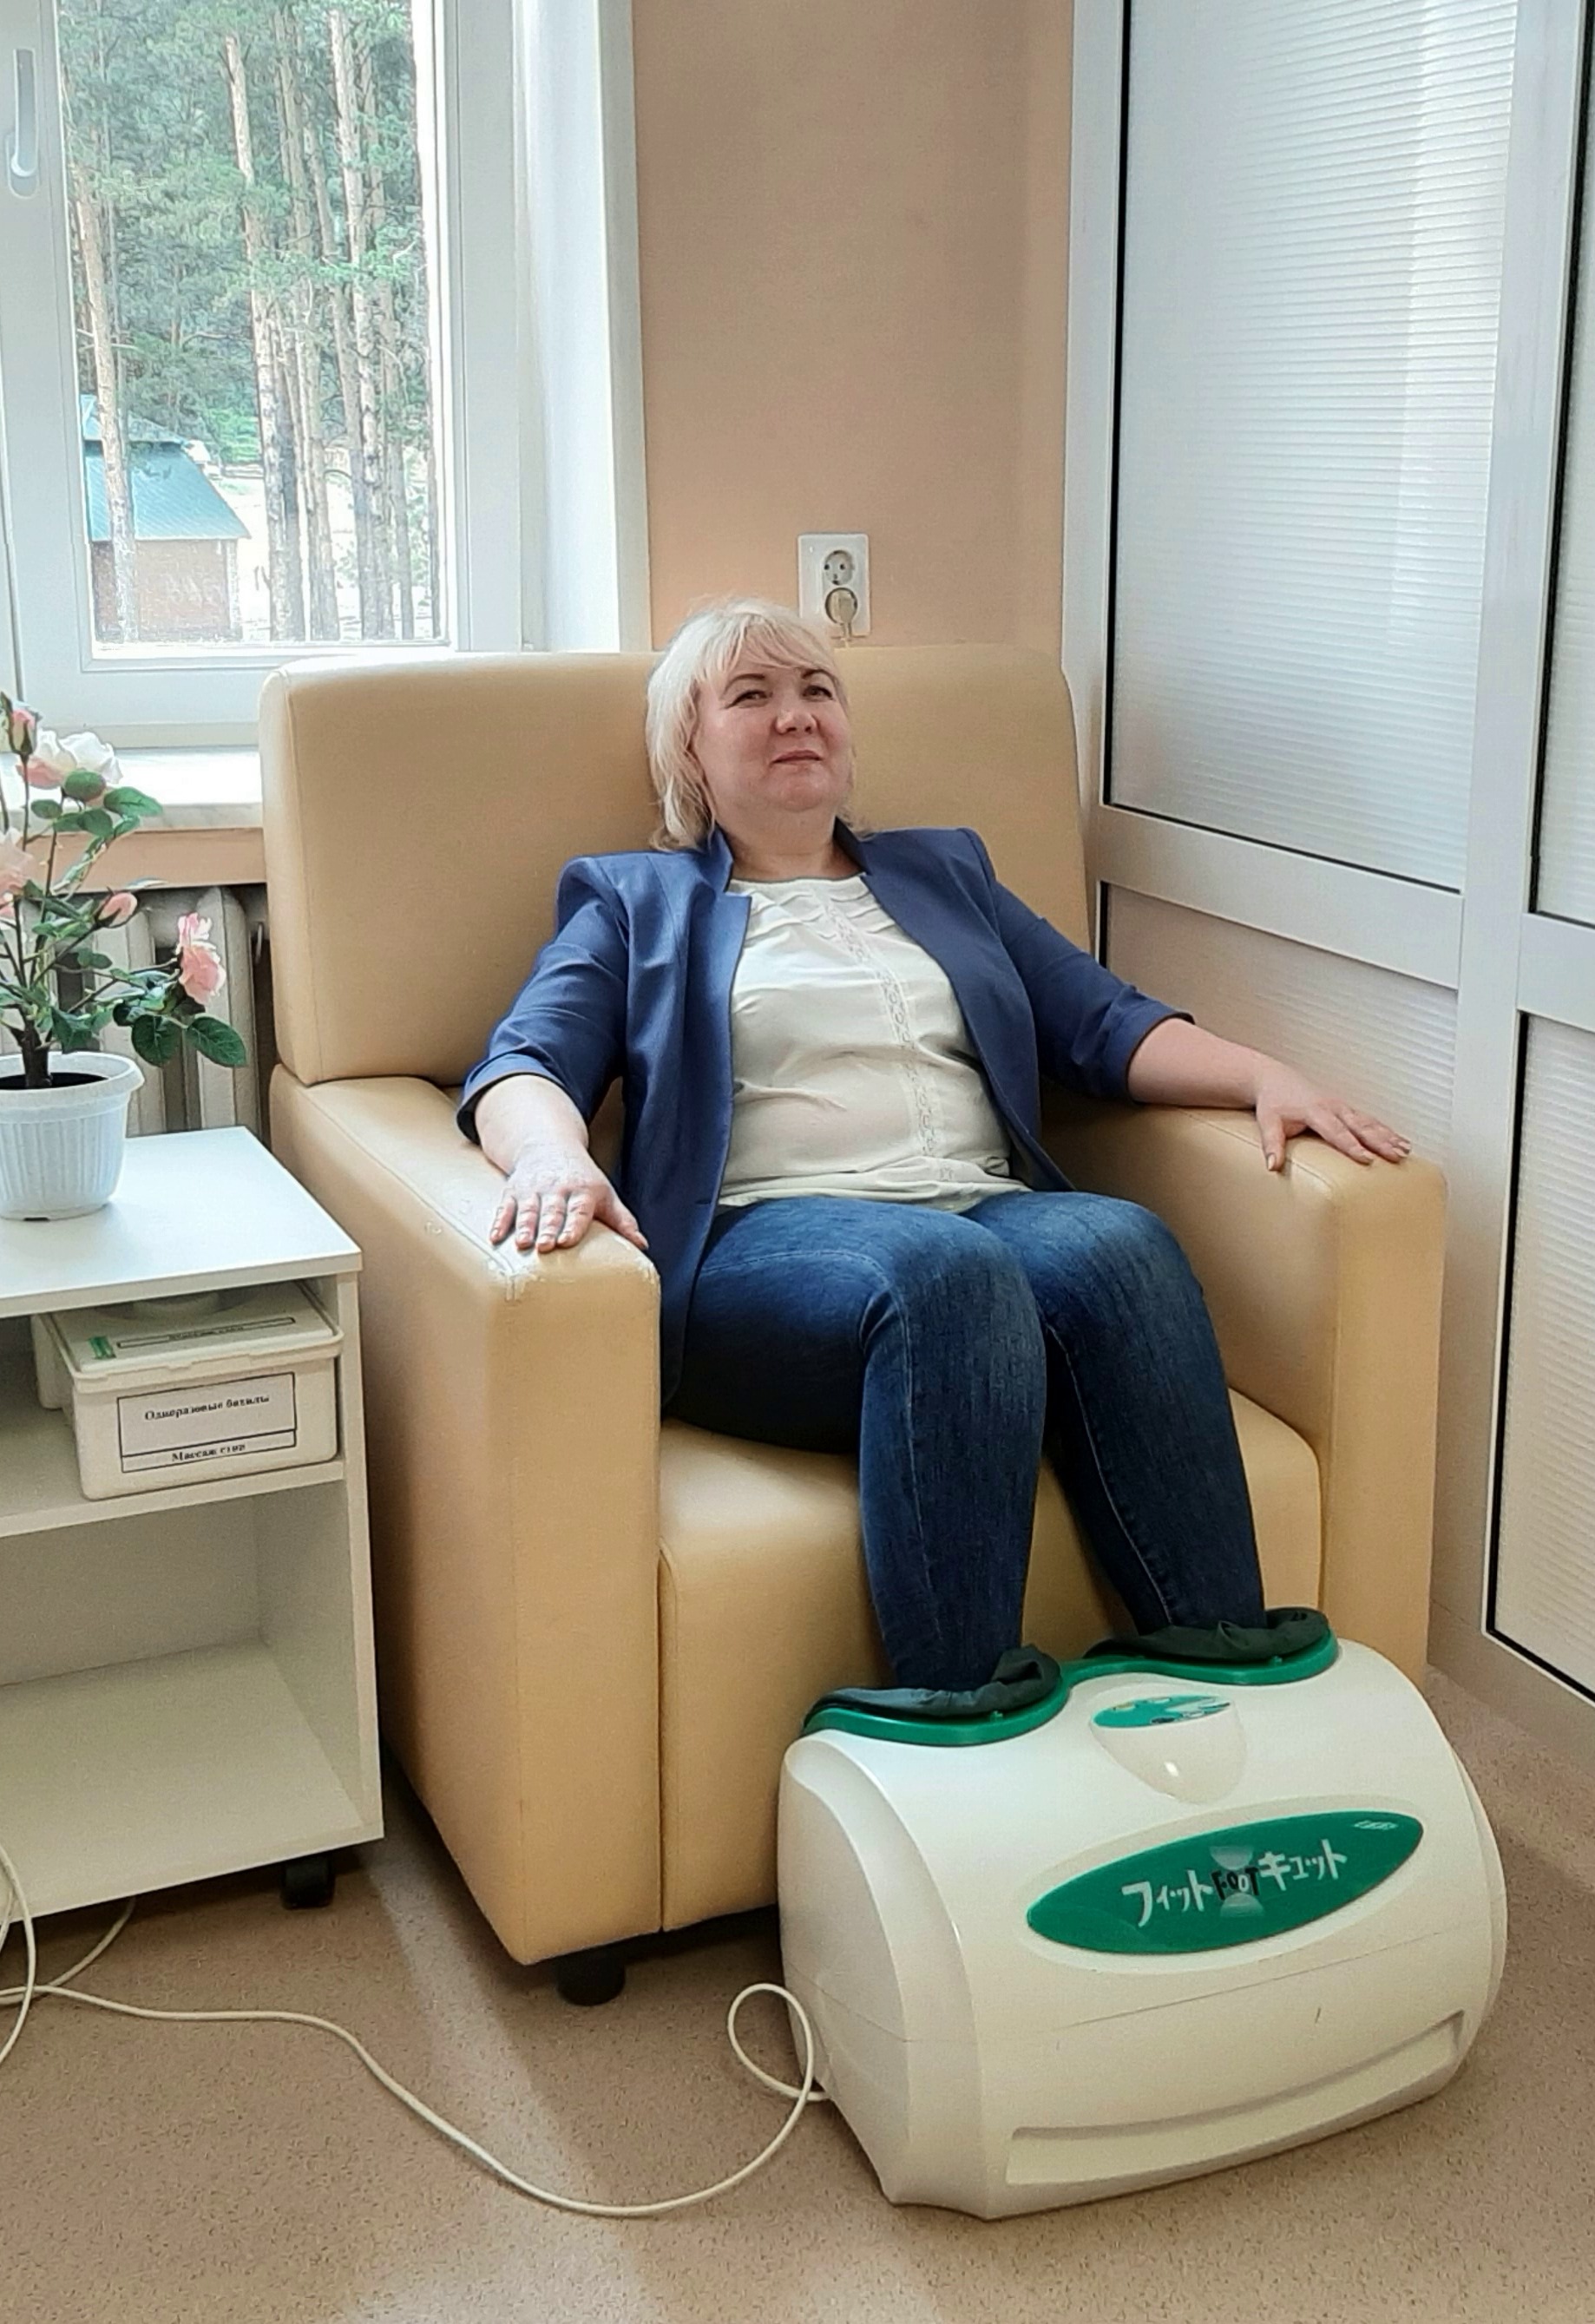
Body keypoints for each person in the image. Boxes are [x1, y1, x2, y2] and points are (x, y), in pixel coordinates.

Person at [458, 600, 1410, 1697]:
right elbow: (523, 1060)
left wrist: (1260, 1075)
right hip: (761, 1243)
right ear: (689, 749)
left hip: (978, 1209)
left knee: (1119, 1244)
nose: (794, 716)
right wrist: (549, 1154)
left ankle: (1222, 1669)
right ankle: (960, 1702)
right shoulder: (636, 900)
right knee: (946, 1273)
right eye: (751, 696)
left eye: (816, 690)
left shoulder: (942, 872)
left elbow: (1099, 1022)